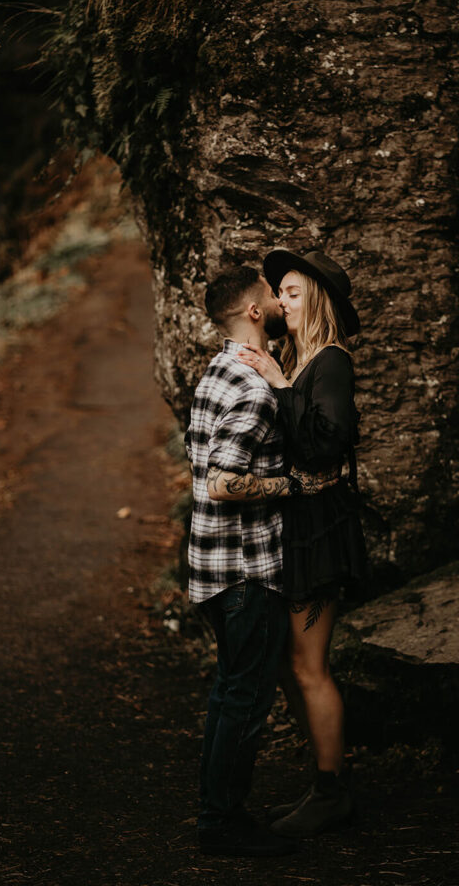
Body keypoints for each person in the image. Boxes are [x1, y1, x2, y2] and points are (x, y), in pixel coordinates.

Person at [185, 265, 337, 858]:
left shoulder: (217, 373)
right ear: (253, 312)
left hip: (211, 569)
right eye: (270, 295)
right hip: (246, 573)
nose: (278, 300)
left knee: (229, 694)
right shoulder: (251, 389)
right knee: (243, 701)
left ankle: (215, 813)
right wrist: (294, 486)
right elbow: (222, 483)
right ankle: (221, 822)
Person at [237, 249, 366, 839]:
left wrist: (279, 381)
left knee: (310, 666)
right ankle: (322, 778)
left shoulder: (330, 362)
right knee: (296, 663)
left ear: (316, 298)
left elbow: (323, 444)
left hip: (319, 526)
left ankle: (331, 792)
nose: (279, 301)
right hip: (300, 520)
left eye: (290, 291)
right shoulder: (303, 357)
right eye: (279, 291)